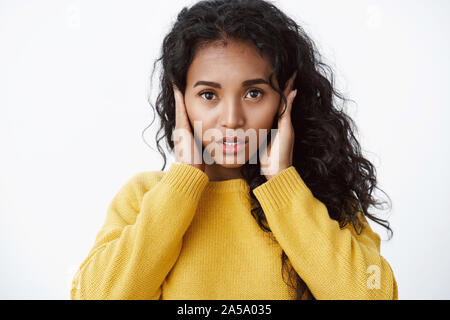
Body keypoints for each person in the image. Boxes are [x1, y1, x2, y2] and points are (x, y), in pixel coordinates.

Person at [71, 0, 398, 300]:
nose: (231, 120)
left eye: (254, 93)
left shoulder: (324, 197)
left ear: (286, 99)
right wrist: (183, 182)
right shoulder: (144, 197)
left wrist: (282, 182)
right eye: (209, 95)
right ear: (181, 100)